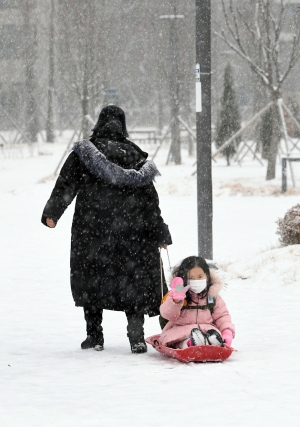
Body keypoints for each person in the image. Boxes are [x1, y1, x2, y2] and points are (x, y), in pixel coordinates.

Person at [41, 105, 172, 354]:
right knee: (133, 283)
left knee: (92, 281)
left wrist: (52, 213)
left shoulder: (84, 153)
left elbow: (66, 185)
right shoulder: (136, 157)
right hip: (132, 234)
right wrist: (159, 231)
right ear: (123, 126)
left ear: (98, 124)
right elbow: (150, 203)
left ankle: (95, 336)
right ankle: (136, 337)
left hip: (93, 230)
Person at [159, 256, 234, 349]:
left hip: (207, 329)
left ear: (207, 276)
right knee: (179, 340)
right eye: (191, 278)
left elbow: (222, 316)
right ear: (184, 278)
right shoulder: (175, 294)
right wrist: (176, 300)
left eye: (200, 277)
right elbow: (167, 314)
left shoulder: (212, 297)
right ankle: (191, 343)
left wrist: (227, 332)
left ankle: (212, 341)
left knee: (211, 334)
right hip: (179, 331)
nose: (196, 281)